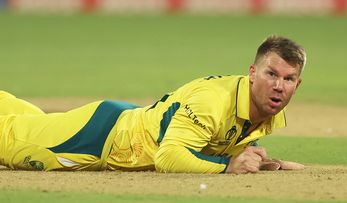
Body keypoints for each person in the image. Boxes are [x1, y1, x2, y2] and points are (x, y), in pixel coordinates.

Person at [0, 35, 306, 174]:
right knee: (8, 137)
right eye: (271, 74)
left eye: (289, 79)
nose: (279, 86)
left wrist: (259, 163)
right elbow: (168, 156)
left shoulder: (263, 111)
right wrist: (228, 166)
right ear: (252, 73)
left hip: (118, 125)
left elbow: (209, 141)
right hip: (97, 140)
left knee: (24, 120)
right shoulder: (213, 101)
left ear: (297, 85)